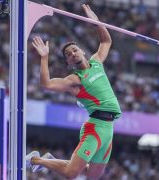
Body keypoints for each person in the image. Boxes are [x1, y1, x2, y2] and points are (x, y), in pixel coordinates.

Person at [26, 4, 122, 180]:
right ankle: (35, 160)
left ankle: (50, 160)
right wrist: (44, 57)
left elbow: (106, 41)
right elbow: (46, 83)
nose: (73, 54)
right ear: (69, 62)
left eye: (75, 50)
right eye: (69, 55)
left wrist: (96, 22)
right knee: (71, 173)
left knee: (92, 176)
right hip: (95, 127)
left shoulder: (96, 62)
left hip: (108, 129)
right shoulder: (75, 80)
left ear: (82, 51)